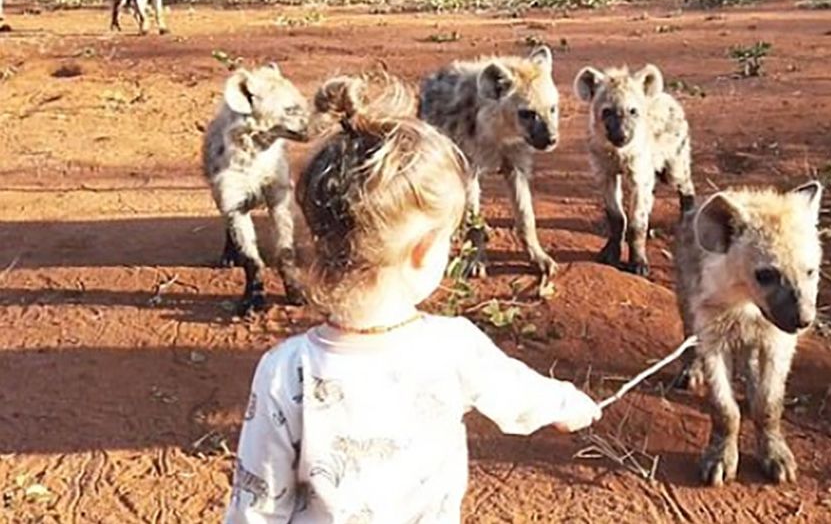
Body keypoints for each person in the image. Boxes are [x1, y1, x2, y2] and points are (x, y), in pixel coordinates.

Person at [223, 88, 601, 523]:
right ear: (423, 250)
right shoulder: (453, 346)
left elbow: (256, 506)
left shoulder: (285, 370)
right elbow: (518, 395)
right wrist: (568, 405)